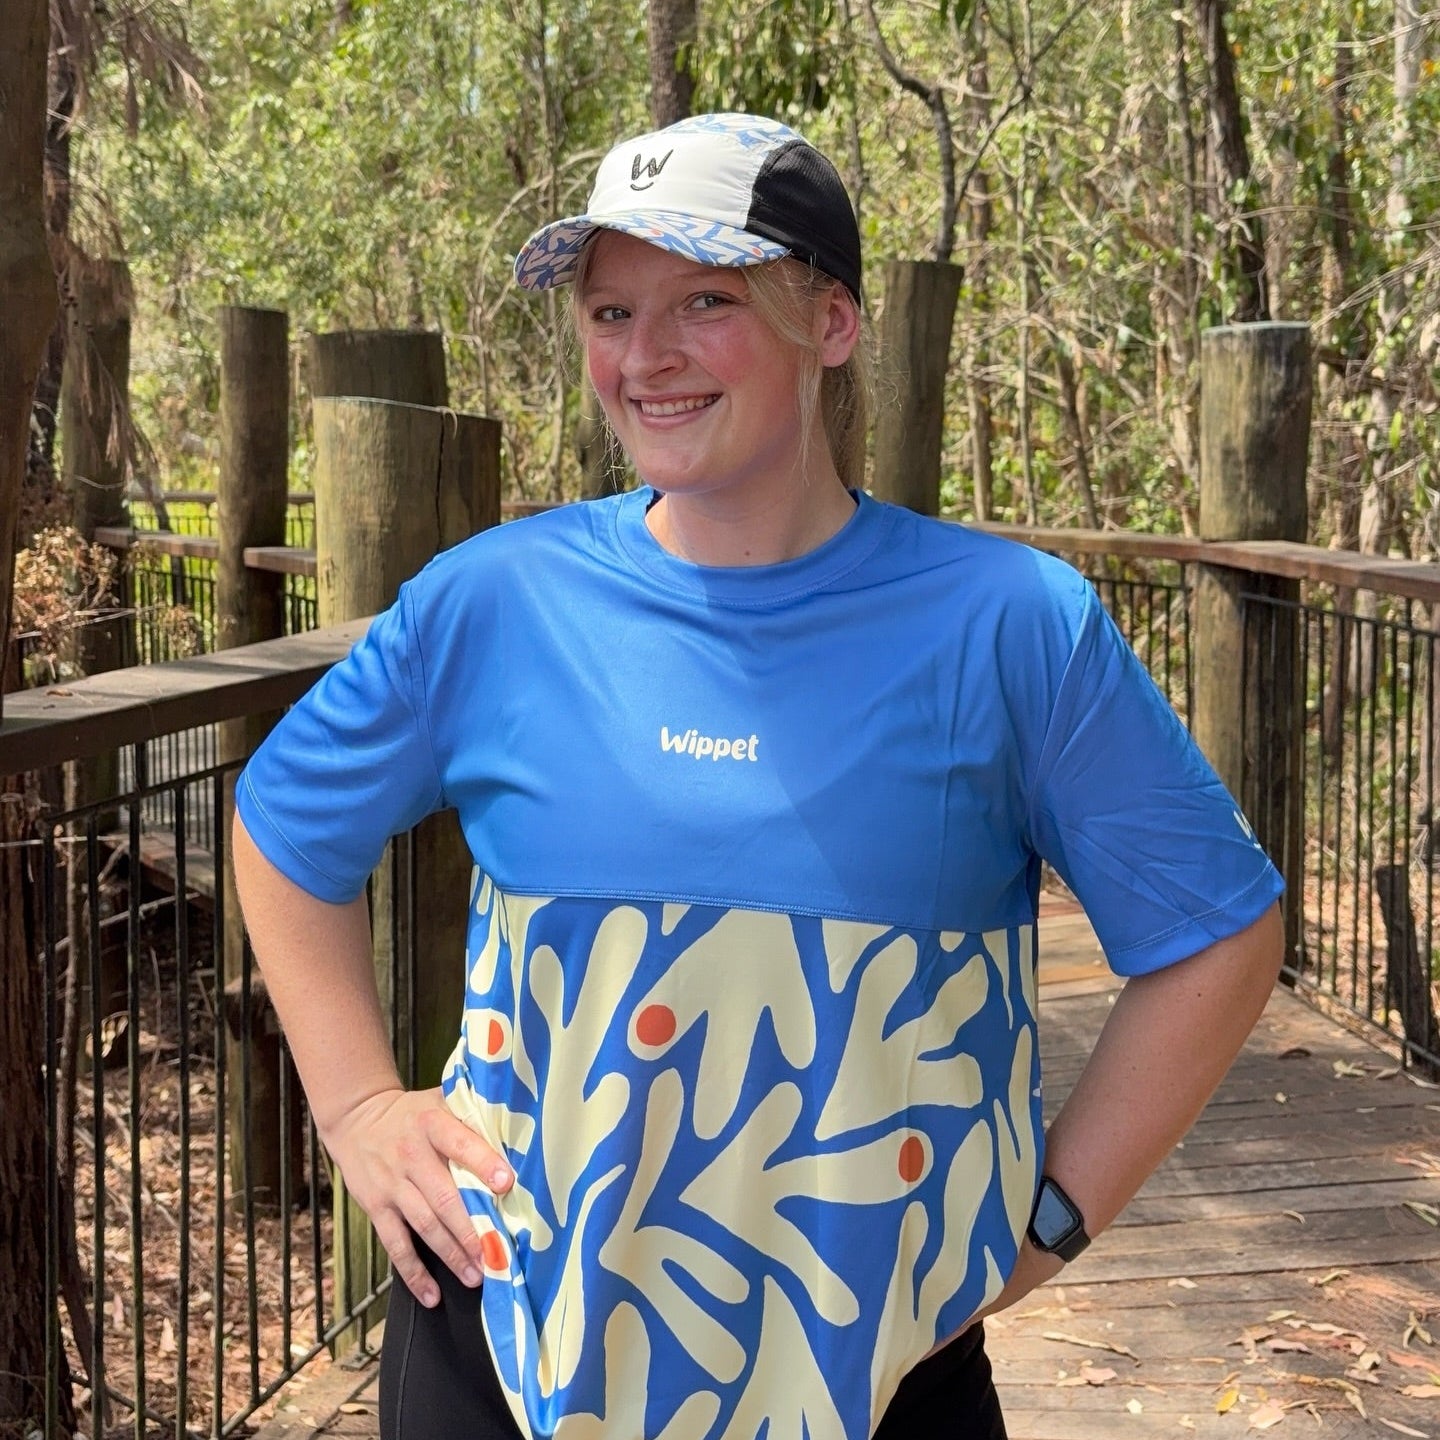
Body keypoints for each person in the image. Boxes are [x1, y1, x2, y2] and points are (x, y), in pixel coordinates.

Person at [233, 112, 1285, 1440]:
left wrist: (1054, 1219)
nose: (646, 354)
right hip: (505, 1335)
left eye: (706, 301)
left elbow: (1219, 933)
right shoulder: (497, 602)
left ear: (831, 323)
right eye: (611, 309)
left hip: (879, 1364)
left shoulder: (1013, 624)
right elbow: (281, 827)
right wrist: (359, 1106)